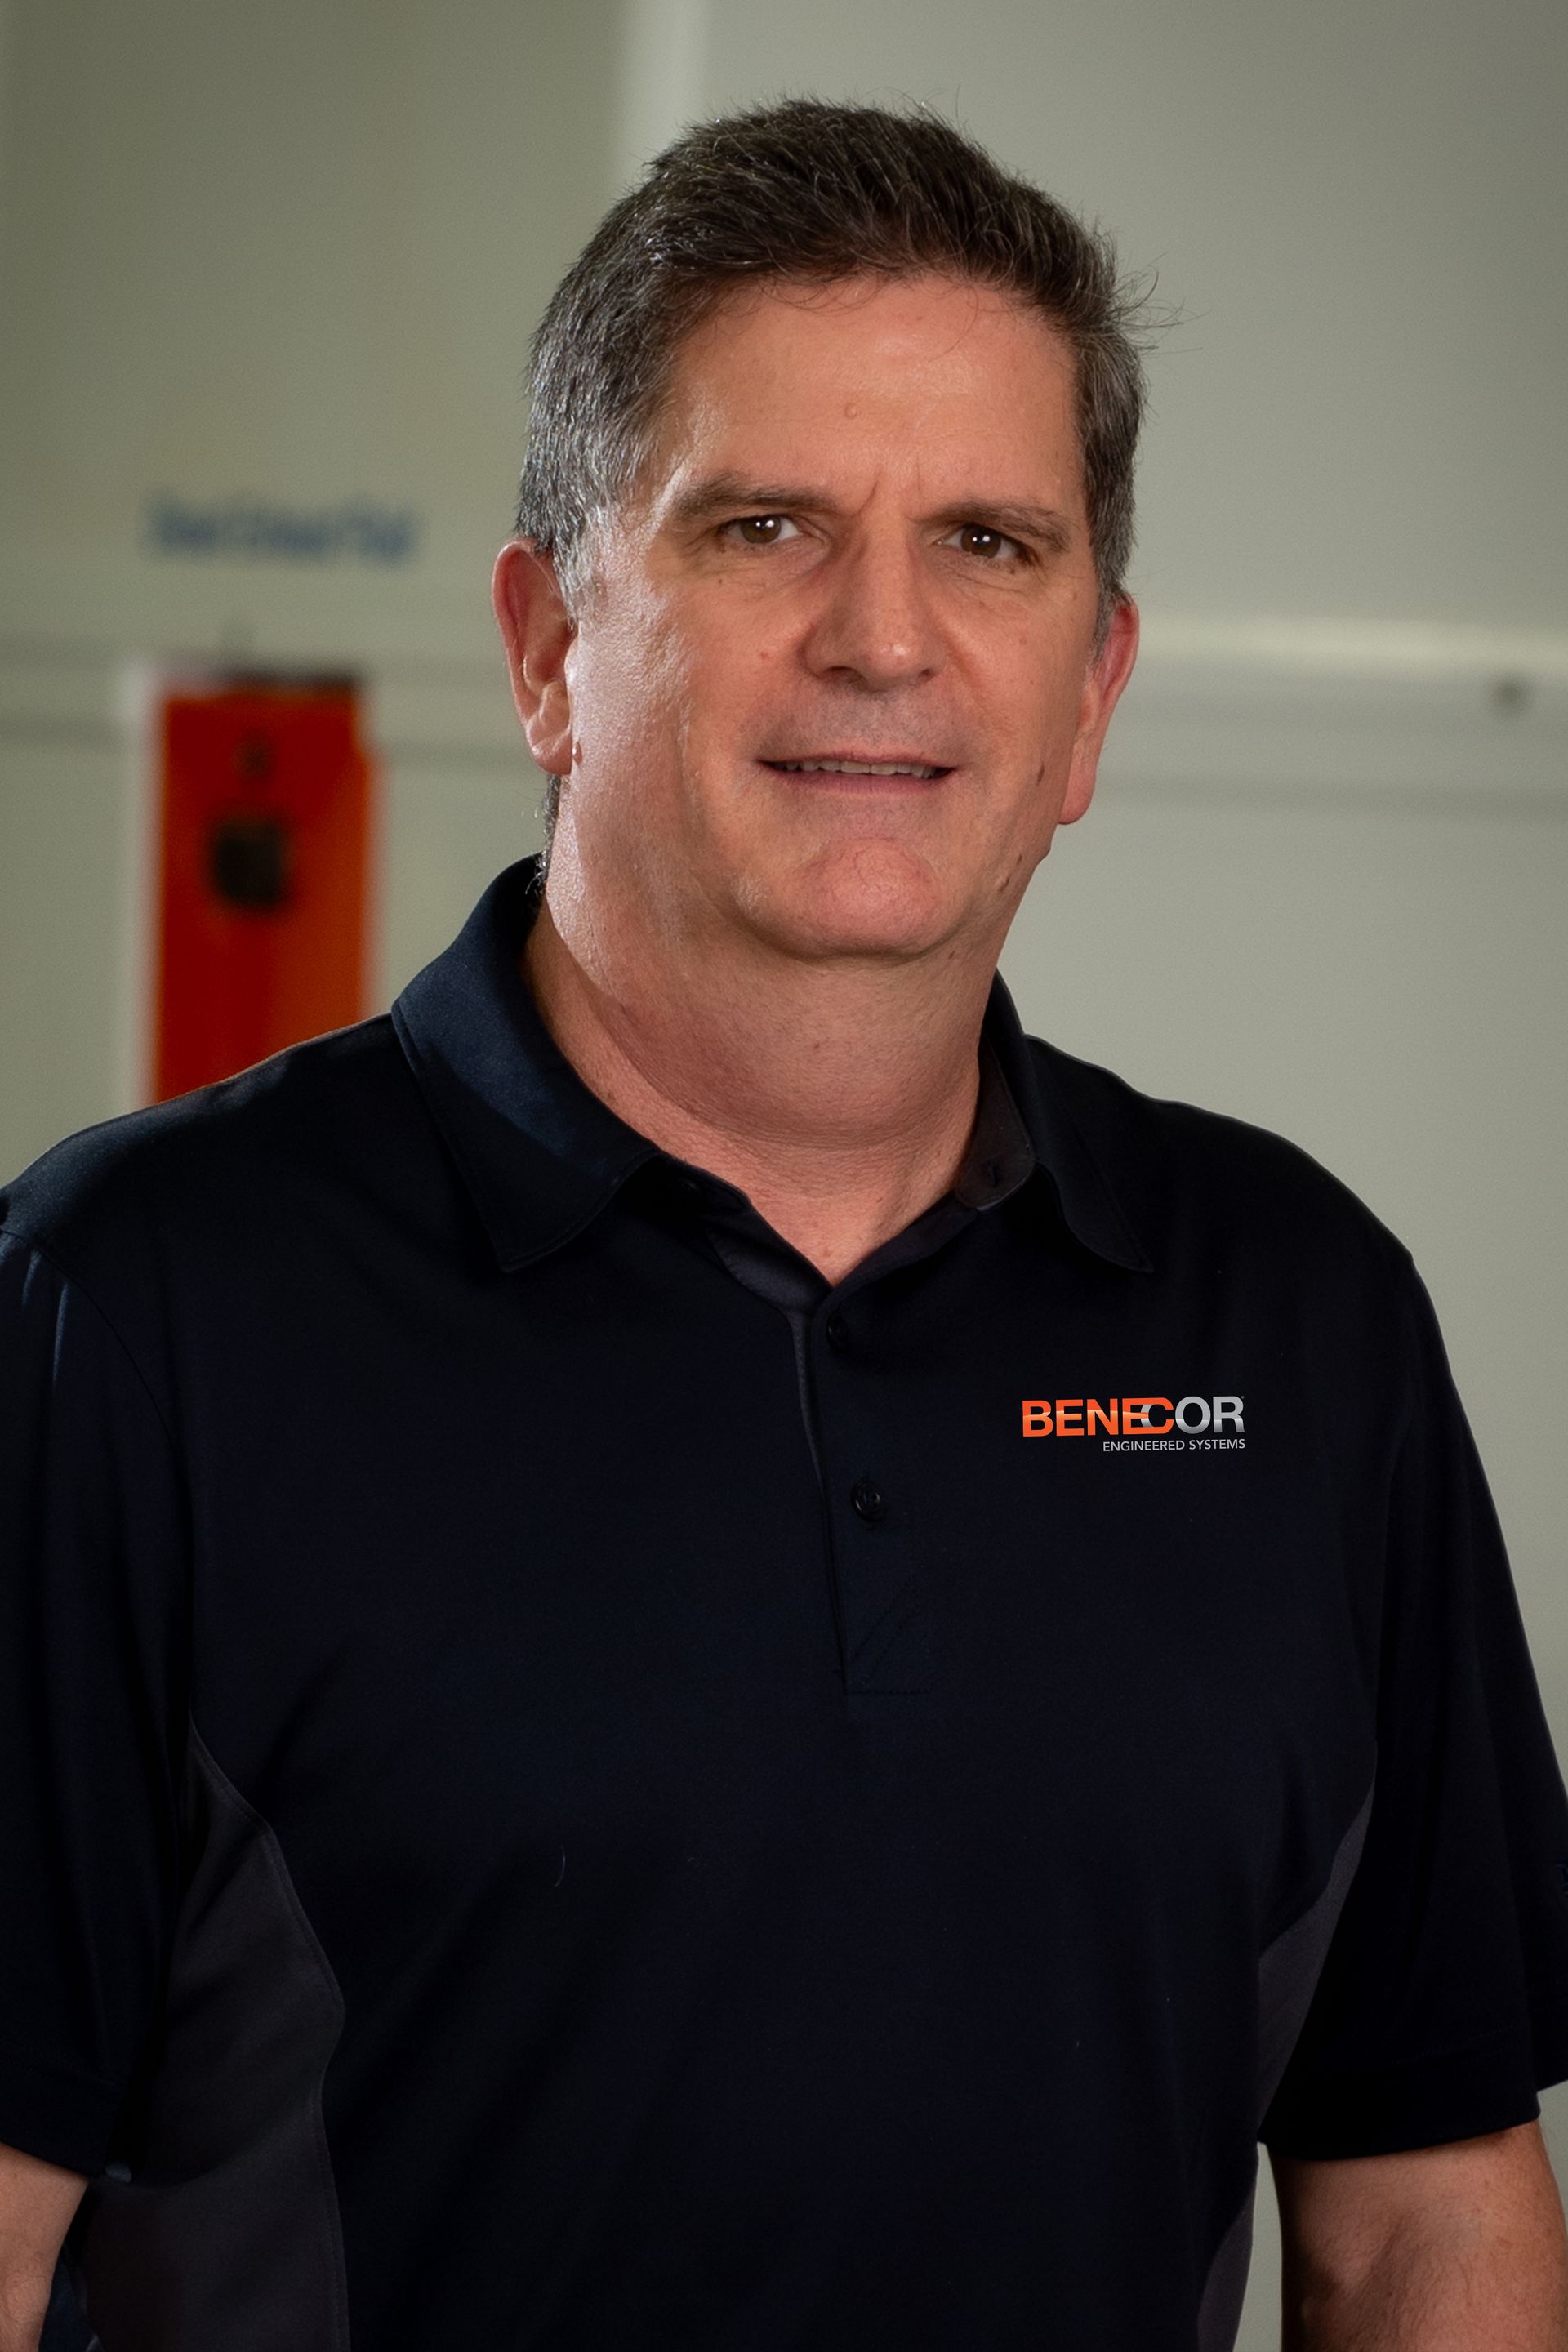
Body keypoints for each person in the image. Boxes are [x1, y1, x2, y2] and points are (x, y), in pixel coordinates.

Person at [2, 98, 1566, 2352]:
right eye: (765, 529)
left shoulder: (1301, 1317)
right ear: (549, 645)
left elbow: (1422, 2212)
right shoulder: (129, 1310)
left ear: (1094, 695)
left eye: (990, 545)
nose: (883, 639)